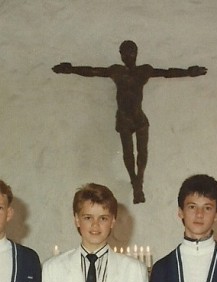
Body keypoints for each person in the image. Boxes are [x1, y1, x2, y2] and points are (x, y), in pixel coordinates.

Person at [52, 41, 207, 204]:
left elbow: (166, 73)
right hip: (124, 118)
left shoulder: (143, 71)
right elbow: (92, 71)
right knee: (128, 153)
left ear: (136, 53)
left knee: (142, 152)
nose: (128, 56)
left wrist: (189, 72)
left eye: (131, 52)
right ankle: (135, 182)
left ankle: (138, 181)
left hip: (139, 117)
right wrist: (70, 69)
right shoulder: (116, 71)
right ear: (120, 54)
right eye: (124, 53)